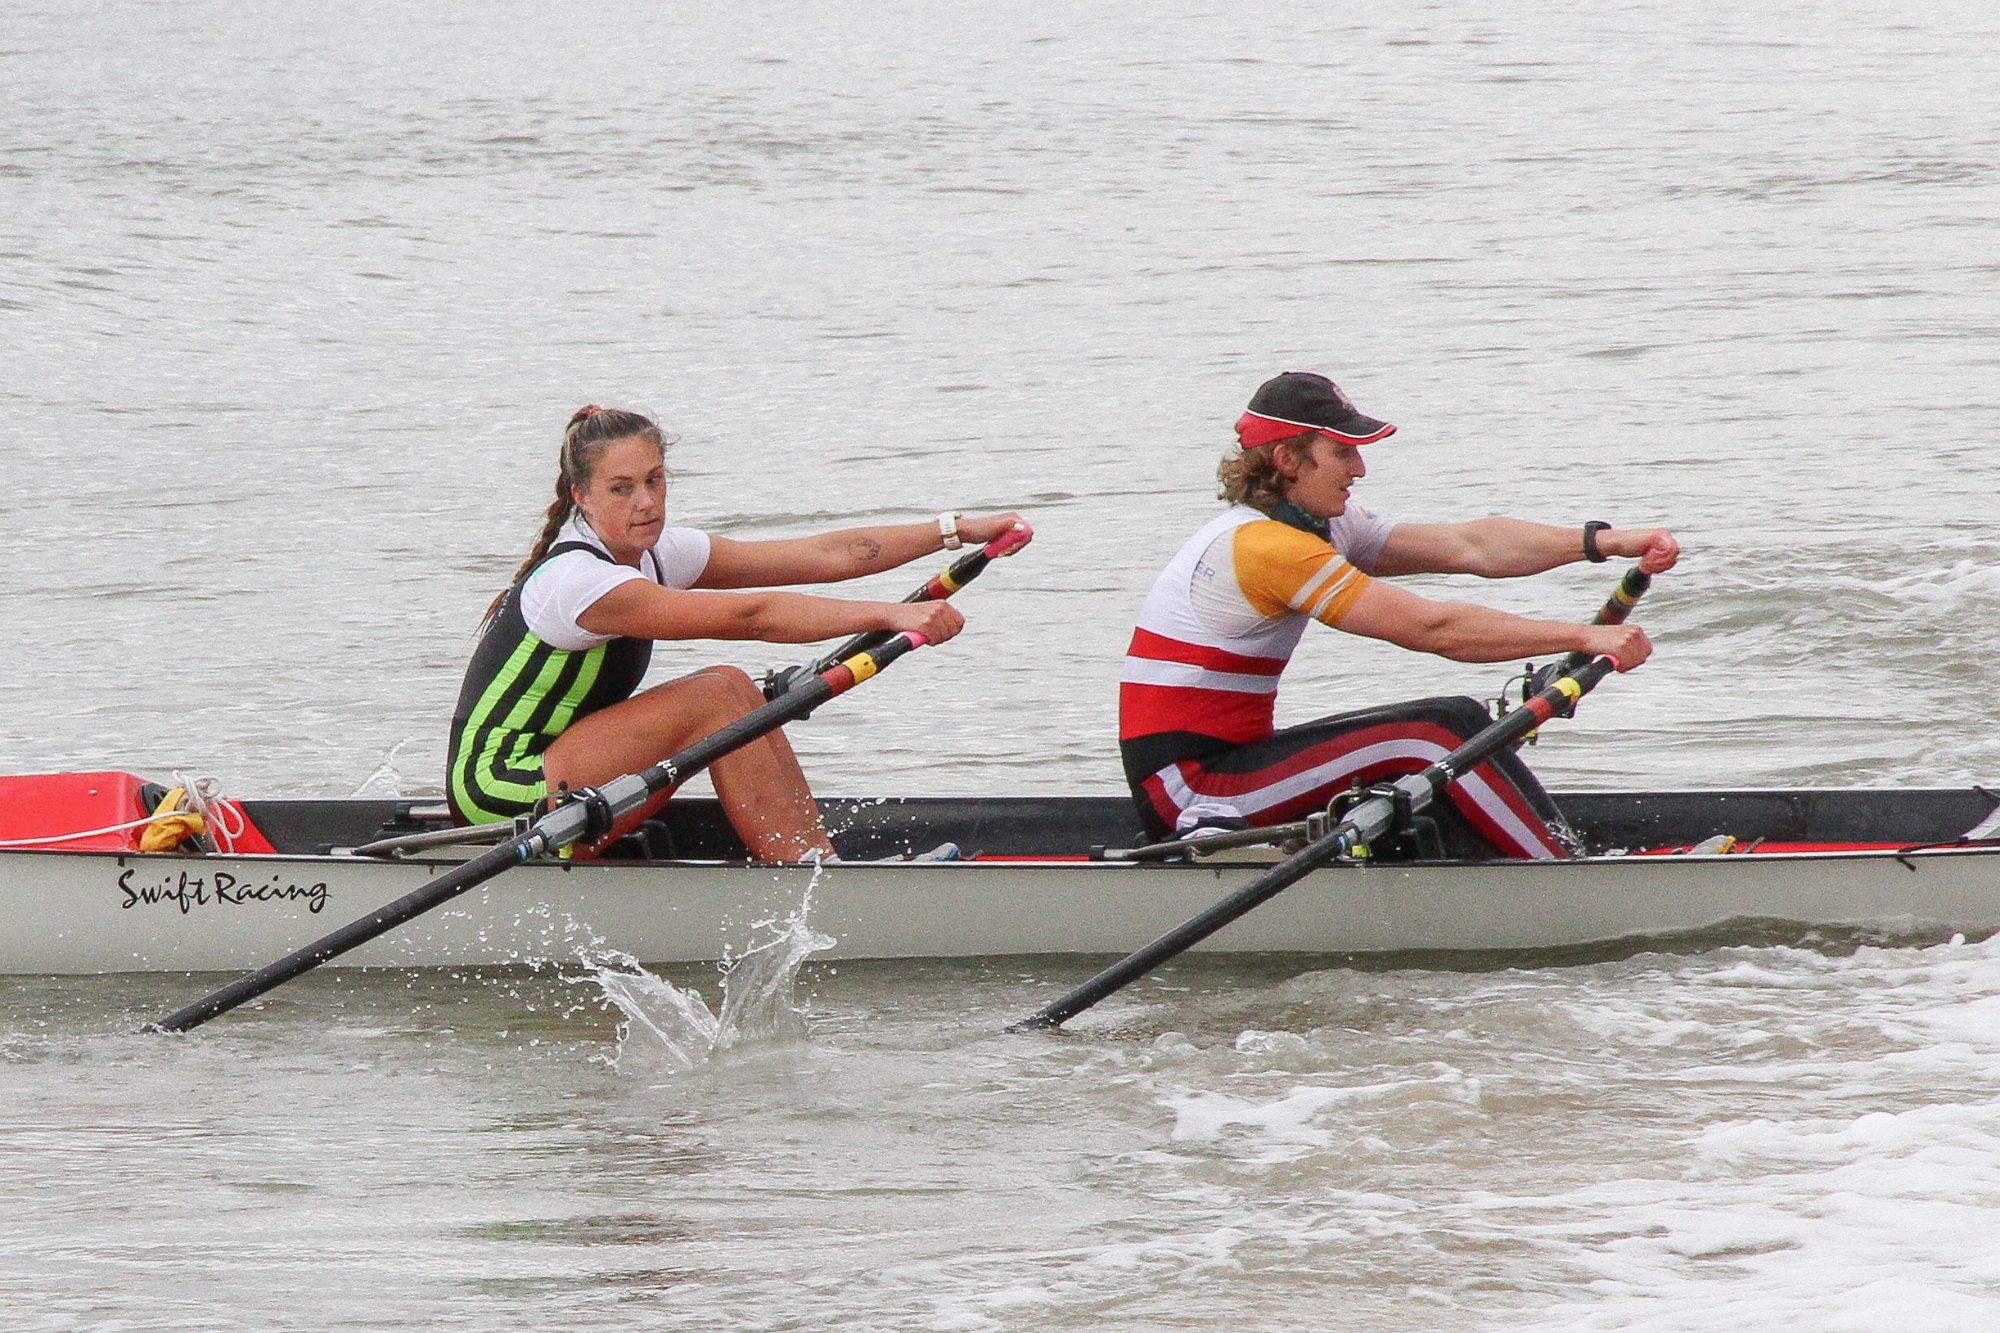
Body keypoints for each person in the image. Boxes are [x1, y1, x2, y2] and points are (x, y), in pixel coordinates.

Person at [1119, 371, 1679, 859]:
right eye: (1342, 452)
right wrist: (1588, 635)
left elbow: (1472, 545)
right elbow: (1432, 629)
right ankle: (1562, 877)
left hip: (1240, 764)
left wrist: (1606, 542)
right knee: (1435, 731)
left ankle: (1537, 853)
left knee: (1453, 722)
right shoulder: (1264, 549)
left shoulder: (1321, 523)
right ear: (1288, 459)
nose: (1359, 468)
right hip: (1191, 793)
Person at [448, 404, 1031, 863]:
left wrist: (955, 529)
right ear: (582, 496)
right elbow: (747, 618)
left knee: (736, 696)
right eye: (621, 488)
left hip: (569, 773)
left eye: (655, 480)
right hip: (503, 794)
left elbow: (825, 553)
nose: (647, 502)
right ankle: (806, 873)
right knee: (720, 693)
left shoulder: (656, 551)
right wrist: (888, 615)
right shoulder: (576, 580)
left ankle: (809, 862)